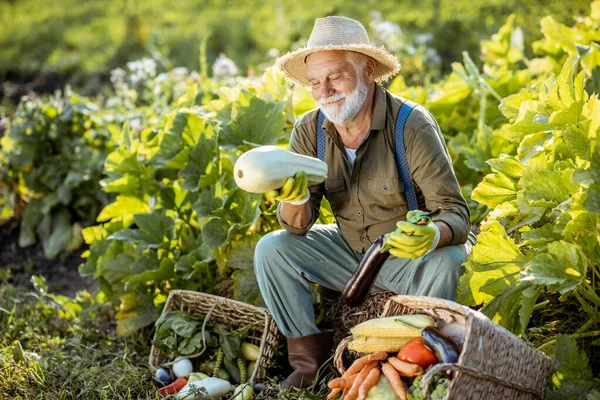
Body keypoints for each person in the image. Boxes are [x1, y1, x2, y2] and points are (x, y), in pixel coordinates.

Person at [253, 16, 474, 389]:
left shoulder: (411, 126)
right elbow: (297, 227)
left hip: (405, 257)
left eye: (335, 77)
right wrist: (296, 198)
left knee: (450, 257)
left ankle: (419, 366)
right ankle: (309, 364)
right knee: (272, 249)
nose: (324, 91)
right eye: (314, 82)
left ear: (368, 70)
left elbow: (457, 214)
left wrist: (431, 236)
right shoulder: (309, 130)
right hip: (352, 253)